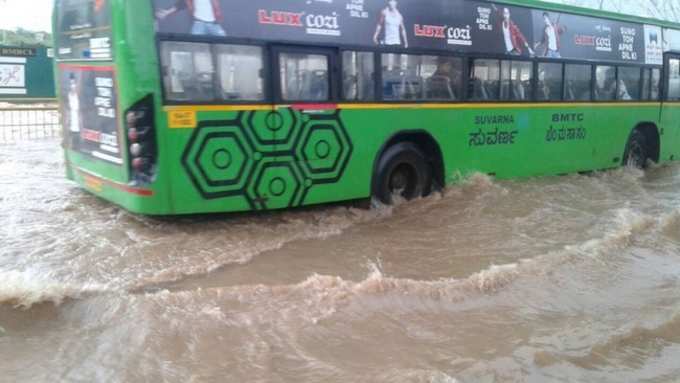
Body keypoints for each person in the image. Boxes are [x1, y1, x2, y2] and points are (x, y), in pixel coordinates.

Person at [156, 0, 226, 37]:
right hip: (199, 24)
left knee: (224, 42)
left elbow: (216, 9)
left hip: (213, 24)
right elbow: (180, 5)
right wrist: (166, 12)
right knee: (194, 44)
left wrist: (218, 18)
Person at [66, 73, 82, 149]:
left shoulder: (79, 94)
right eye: (71, 83)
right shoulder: (69, 95)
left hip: (79, 121)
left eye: (74, 83)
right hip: (73, 121)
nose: (73, 86)